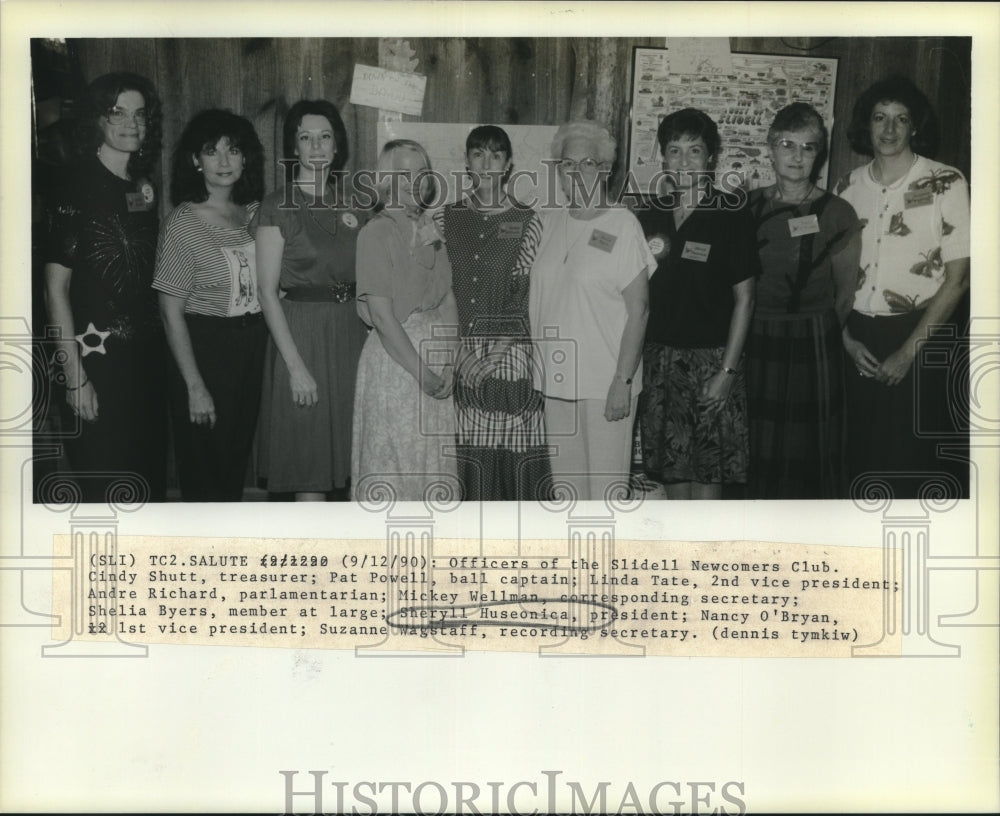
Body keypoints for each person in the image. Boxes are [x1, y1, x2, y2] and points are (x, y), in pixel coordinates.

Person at [835, 76, 970, 497]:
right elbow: (828, 278)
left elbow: (958, 278)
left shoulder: (946, 181)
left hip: (921, 334)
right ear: (867, 125)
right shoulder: (846, 187)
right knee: (856, 458)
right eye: (880, 118)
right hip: (858, 336)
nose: (889, 130)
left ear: (915, 127)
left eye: (901, 119)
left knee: (911, 465)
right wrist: (845, 339)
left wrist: (908, 352)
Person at [42, 71, 168, 502]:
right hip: (94, 362)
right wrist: (74, 377)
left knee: (146, 486)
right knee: (107, 493)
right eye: (118, 112)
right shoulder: (74, 185)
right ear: (98, 119)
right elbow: (54, 290)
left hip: (146, 363)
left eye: (140, 114)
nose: (131, 123)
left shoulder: (145, 186)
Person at [528, 120, 654, 502]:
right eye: (568, 164)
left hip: (605, 385)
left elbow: (640, 311)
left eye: (588, 163)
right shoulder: (548, 222)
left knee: (605, 496)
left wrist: (623, 381)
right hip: (555, 382)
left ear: (604, 169)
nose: (577, 173)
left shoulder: (623, 224)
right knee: (567, 494)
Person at [635, 108, 757, 500]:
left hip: (711, 363)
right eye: (674, 150)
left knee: (707, 480)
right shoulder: (649, 215)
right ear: (663, 158)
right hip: (659, 365)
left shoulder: (731, 215)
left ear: (711, 158)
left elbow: (745, 299)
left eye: (695, 151)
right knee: (673, 481)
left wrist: (726, 371)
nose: (684, 161)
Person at [252, 100, 368, 501]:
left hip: (353, 337)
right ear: (294, 148)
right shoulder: (276, 204)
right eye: (306, 137)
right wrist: (296, 368)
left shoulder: (357, 202)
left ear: (337, 147)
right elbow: (267, 291)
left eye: (325, 137)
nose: (316, 146)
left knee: (352, 464)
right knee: (310, 467)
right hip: (302, 339)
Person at [746, 103, 861, 499]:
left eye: (808, 147)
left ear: (820, 153)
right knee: (757, 444)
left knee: (809, 451)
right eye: (787, 145)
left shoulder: (838, 213)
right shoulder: (747, 207)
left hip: (813, 339)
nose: (796, 156)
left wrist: (822, 330)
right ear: (770, 148)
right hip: (755, 336)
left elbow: (845, 292)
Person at [153, 109, 266, 501]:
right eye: (211, 151)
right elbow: (170, 312)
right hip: (204, 347)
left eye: (232, 150)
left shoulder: (252, 212)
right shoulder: (183, 222)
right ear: (194, 160)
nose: (223, 161)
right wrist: (195, 386)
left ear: (245, 157)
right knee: (204, 465)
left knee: (233, 459)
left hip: (250, 345)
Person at [436, 125, 550, 501]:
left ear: (508, 164)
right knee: (469, 455)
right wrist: (461, 352)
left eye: (496, 155)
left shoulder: (528, 221)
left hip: (511, 352)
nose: (487, 163)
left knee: (512, 457)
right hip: (459, 350)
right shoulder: (444, 219)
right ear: (467, 162)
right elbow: (436, 289)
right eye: (478, 154)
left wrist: (496, 354)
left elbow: (523, 292)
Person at [351, 140, 458, 502]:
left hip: (435, 359)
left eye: (421, 173)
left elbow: (446, 297)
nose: (414, 182)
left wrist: (450, 363)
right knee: (395, 468)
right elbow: (381, 316)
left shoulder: (429, 228)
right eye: (403, 174)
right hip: (398, 362)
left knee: (432, 470)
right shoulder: (376, 232)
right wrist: (423, 372)